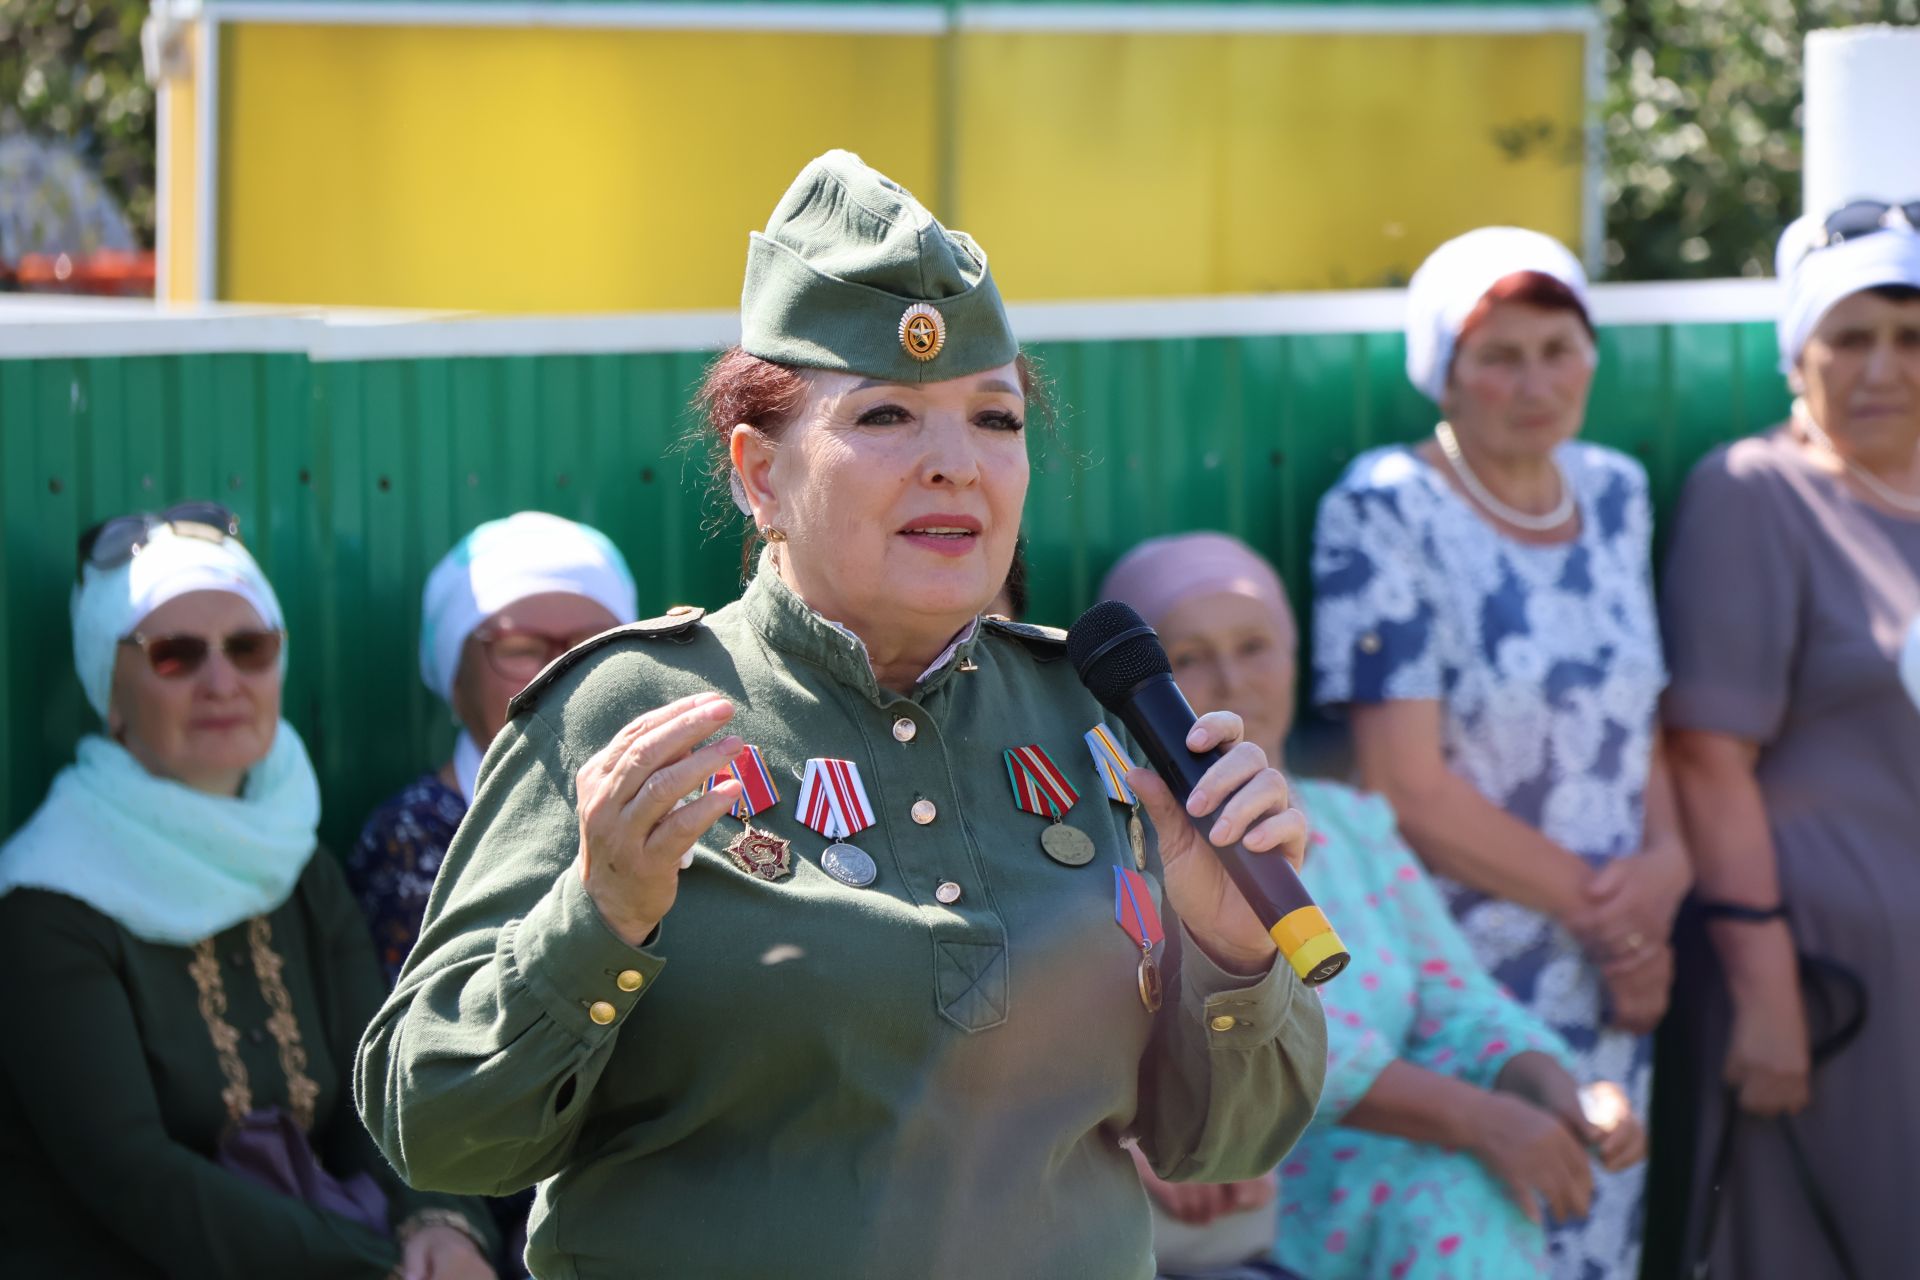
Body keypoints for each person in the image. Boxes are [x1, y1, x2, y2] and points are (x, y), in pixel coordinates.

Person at [355, 151, 1327, 1280]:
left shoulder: (1099, 720)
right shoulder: (626, 710)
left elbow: (1229, 1141)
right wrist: (598, 918)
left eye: (995, 418)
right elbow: (436, 1126)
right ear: (760, 476)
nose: (955, 465)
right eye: (886, 414)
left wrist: (1229, 945)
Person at [1106, 532, 1646, 1280]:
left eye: (1256, 645)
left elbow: (1453, 999)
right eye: (1190, 657)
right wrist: (1479, 1119)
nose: (1231, 678)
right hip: (1251, 1185)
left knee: (1456, 1192)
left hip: (1400, 1181)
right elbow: (1279, 1039)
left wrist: (1554, 1090)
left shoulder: (1354, 826)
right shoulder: (1128, 836)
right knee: (1451, 1194)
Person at [1311, 227, 1687, 1277]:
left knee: (1602, 1225)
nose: (1536, 382)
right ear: (1447, 371)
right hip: (1469, 965)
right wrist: (1612, 915)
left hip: (1618, 968)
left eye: (1558, 348)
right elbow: (1404, 785)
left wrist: (1667, 873)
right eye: (1500, 355)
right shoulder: (1385, 506)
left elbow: (1634, 715)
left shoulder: (1613, 491)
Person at [0, 508, 496, 1278]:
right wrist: (381, 1264)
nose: (222, 682)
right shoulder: (49, 901)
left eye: (249, 647)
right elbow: (131, 1176)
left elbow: (383, 1080)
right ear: (111, 691)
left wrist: (442, 1223)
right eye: (174, 656)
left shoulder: (291, 857)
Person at [1661, 204, 1920, 1279]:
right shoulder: (1753, 494)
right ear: (1795, 356)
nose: (1883, 368)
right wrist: (1767, 995)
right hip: (1839, 988)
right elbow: (1707, 758)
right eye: (1848, 338)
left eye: (1910, 336)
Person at [348, 512, 637, 986]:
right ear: (455, 678)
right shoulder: (410, 839)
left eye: (593, 642)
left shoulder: (684, 800)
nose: (561, 667)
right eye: (520, 647)